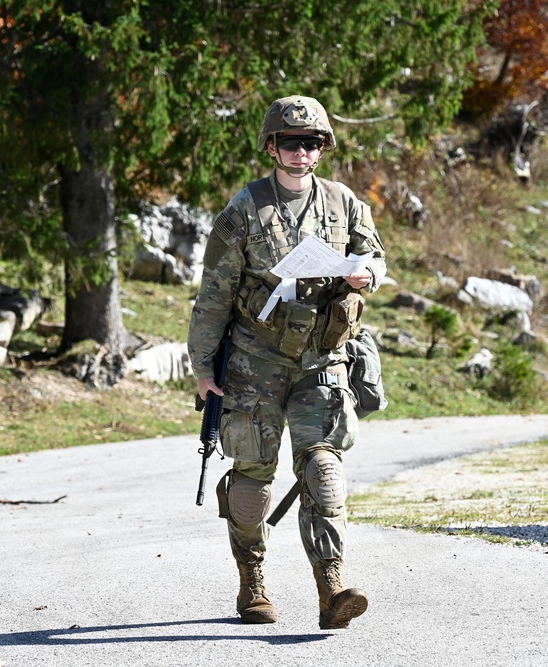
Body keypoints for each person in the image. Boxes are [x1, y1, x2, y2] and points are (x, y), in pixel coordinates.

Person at [187, 95, 387, 629]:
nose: (302, 151)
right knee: (252, 476)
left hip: (322, 356)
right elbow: (214, 294)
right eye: (292, 142)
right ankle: (252, 581)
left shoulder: (345, 204)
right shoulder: (244, 209)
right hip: (254, 361)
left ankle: (333, 586)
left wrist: (366, 275)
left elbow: (375, 256)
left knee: (323, 467)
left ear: (323, 148)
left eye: (313, 142)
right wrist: (204, 367)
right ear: (271, 146)